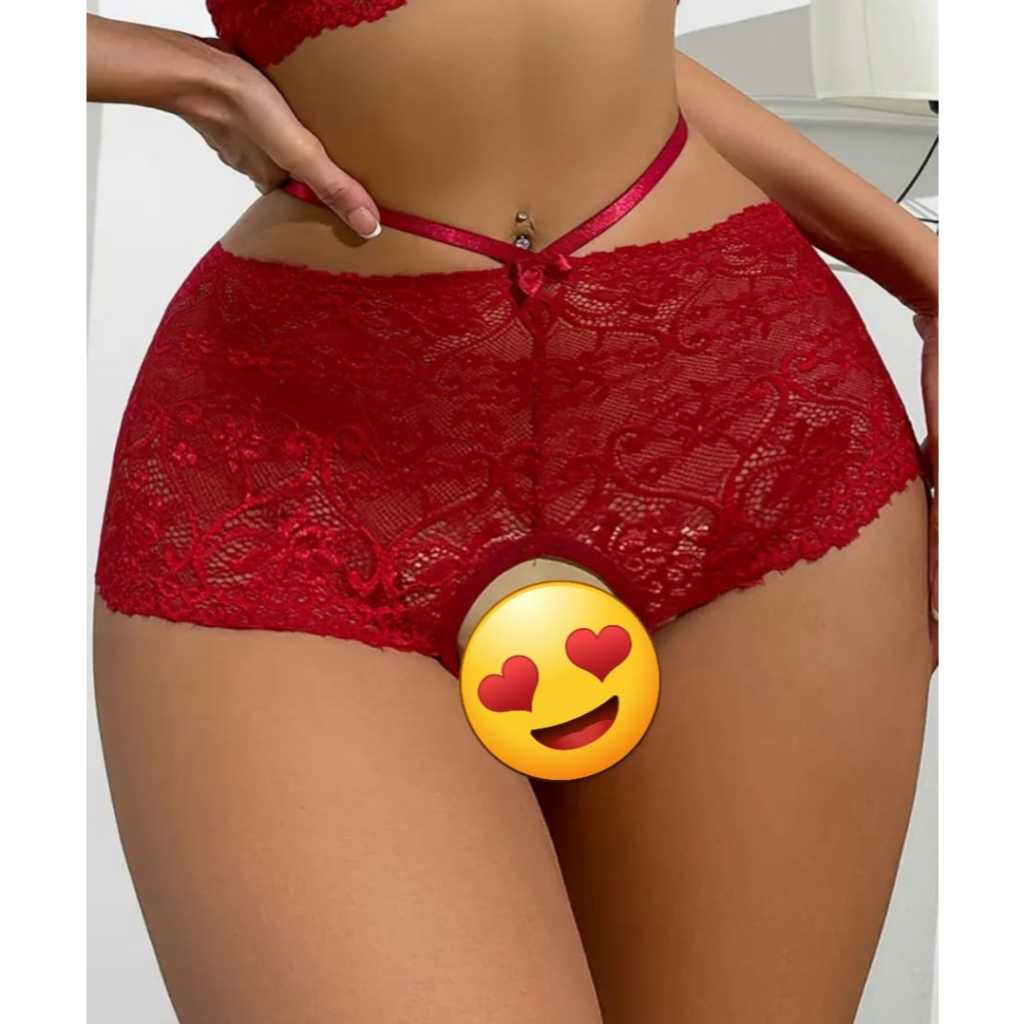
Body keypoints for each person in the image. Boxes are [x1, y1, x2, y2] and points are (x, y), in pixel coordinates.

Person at [88, 3, 938, 1021]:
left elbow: (603, 58)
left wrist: (932, 276)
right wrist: (185, 74)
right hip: (304, 466)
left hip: (752, 418)